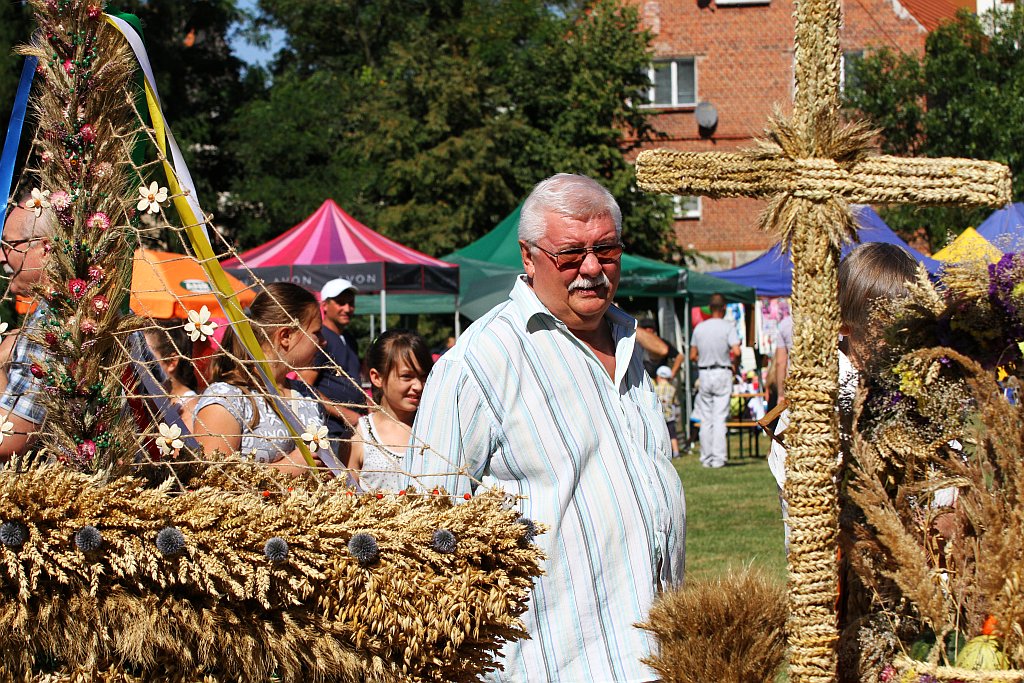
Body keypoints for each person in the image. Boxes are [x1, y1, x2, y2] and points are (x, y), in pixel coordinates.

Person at [405, 173, 685, 682]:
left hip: (655, 657)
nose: (593, 268)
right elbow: (424, 527)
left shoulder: (628, 343)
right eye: (571, 255)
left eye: (606, 249)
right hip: (552, 664)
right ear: (529, 258)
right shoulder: (481, 360)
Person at [193, 282, 327, 475]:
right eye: (316, 332)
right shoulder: (227, 399)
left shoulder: (307, 395)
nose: (324, 341)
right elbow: (209, 480)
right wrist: (286, 469)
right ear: (286, 336)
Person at [0, 194, 56, 458]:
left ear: (45, 248)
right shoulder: (110, 304)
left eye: (10, 245)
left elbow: (10, 439)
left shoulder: (49, 324)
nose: (2, 256)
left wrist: (0, 362)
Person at [347, 329, 432, 491]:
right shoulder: (359, 436)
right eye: (407, 376)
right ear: (377, 377)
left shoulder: (433, 429)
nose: (418, 386)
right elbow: (346, 498)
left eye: (423, 377)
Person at [301, 278, 366, 460]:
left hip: (351, 432)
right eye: (340, 302)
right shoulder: (321, 340)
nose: (347, 308)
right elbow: (305, 386)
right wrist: (345, 414)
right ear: (325, 305)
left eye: (350, 303)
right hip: (331, 433)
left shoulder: (349, 339)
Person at [689, 293, 741, 468]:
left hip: (704, 372)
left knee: (706, 417)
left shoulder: (700, 328)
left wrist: (704, 358)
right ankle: (719, 458)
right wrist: (735, 365)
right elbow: (737, 351)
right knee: (719, 417)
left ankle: (706, 457)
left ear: (710, 308)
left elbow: (692, 355)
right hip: (722, 370)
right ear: (724, 308)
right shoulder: (728, 327)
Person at [143, 321, 200, 429]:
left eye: (146, 357)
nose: (139, 363)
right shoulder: (149, 401)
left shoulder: (191, 412)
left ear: (171, 362)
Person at [655, 364, 680, 457]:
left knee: (660, 435)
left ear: (658, 376)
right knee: (672, 435)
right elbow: (675, 402)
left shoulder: (655, 388)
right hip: (670, 416)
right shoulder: (672, 389)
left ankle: (662, 452)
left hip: (659, 416)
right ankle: (676, 452)